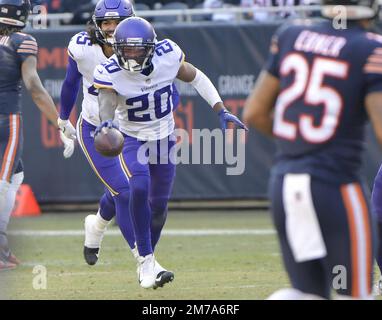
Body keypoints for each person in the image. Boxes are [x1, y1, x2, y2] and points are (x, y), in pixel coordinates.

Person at [93, 16, 247, 288]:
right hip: (132, 138)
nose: (130, 55)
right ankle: (146, 261)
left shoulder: (168, 56)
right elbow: (106, 100)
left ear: (151, 49)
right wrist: (106, 122)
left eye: (136, 50)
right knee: (138, 187)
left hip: (163, 138)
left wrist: (220, 109)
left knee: (159, 208)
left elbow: (196, 76)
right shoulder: (109, 70)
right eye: (125, 49)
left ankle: (148, 257)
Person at [243, 0, 382, 299]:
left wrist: (302, 147)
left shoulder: (292, 35)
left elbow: (254, 113)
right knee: (355, 293)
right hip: (335, 186)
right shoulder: (371, 49)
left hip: (285, 181)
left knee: (307, 293)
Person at [60, 0, 176, 290]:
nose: (111, 29)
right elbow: (71, 84)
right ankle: (145, 261)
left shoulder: (145, 44)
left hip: (134, 130)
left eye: (117, 22)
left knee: (125, 190)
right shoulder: (82, 47)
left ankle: (97, 224)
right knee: (125, 190)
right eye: (106, 23)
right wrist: (63, 121)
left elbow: (170, 88)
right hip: (97, 130)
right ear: (97, 25)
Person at [0, 0, 74, 270]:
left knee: (16, 175)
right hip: (6, 117)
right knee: (4, 181)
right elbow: (33, 84)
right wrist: (60, 123)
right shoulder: (23, 41)